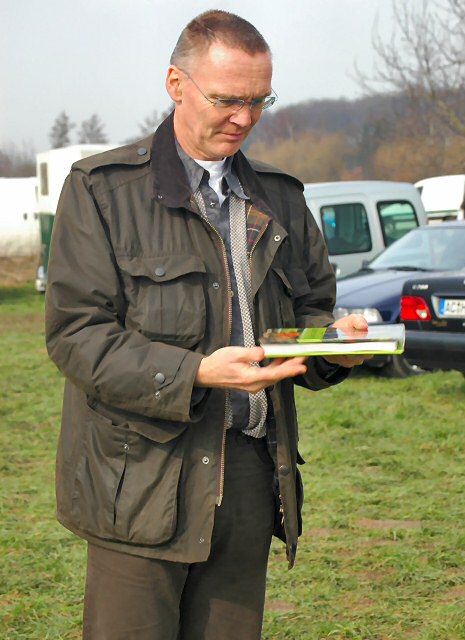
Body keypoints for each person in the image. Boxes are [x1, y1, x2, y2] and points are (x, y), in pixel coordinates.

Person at [45, 10, 369, 640]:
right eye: (227, 100)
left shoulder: (281, 196)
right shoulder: (102, 191)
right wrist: (195, 372)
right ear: (176, 84)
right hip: (141, 476)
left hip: (250, 473)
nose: (244, 118)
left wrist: (336, 346)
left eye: (259, 100)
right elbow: (77, 335)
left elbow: (311, 311)